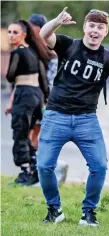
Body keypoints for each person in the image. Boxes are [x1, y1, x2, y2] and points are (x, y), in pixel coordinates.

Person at [38, 7, 109, 226]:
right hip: (56, 115)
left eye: (100, 27)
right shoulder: (68, 45)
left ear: (106, 32)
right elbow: (44, 35)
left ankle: (88, 213)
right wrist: (57, 21)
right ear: (84, 27)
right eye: (91, 26)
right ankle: (54, 209)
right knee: (44, 166)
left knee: (99, 166)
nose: (95, 30)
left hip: (86, 120)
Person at [5, 19, 50, 186]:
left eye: (15, 32)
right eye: (9, 32)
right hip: (36, 96)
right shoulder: (35, 52)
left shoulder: (17, 53)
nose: (11, 35)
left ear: (23, 35)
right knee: (28, 134)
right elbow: (44, 80)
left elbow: (10, 76)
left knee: (20, 134)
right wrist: (45, 99)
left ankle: (25, 172)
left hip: (24, 95)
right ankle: (34, 169)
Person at [28, 13, 69, 186]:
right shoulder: (39, 47)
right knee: (36, 136)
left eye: (31, 27)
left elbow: (51, 79)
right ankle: (41, 171)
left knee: (38, 137)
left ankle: (50, 169)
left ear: (38, 27)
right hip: (43, 99)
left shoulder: (48, 49)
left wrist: (46, 100)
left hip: (47, 100)